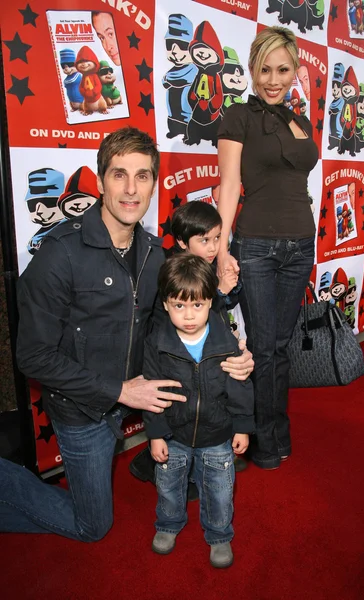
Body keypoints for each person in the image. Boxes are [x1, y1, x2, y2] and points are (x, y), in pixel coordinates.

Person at [0, 127, 253, 542]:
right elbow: (32, 356)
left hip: (131, 405)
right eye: (119, 175)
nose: (131, 189)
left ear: (154, 183)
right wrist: (119, 391)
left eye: (143, 175)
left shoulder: (155, 253)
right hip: (81, 410)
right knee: (93, 527)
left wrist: (233, 354)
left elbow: (173, 324)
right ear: (100, 182)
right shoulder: (59, 253)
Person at [216, 27, 318, 470]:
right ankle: (255, 436)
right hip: (255, 243)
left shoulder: (301, 121)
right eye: (265, 70)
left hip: (301, 244)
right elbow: (228, 185)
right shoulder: (238, 116)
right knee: (260, 344)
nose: (273, 79)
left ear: (296, 72)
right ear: (253, 70)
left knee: (280, 345)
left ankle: (272, 438)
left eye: (283, 69)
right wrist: (222, 249)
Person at [143, 254, 254, 568]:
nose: (189, 315)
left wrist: (242, 425)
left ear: (210, 302)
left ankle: (219, 535)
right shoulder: (157, 343)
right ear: (166, 304)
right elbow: (153, 391)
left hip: (217, 435)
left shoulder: (226, 342)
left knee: (220, 491)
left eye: (197, 305)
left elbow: (240, 386)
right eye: (179, 306)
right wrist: (155, 434)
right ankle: (168, 524)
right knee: (168, 486)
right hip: (173, 434)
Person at [129, 202, 249, 486]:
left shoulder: (205, 264)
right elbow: (186, 316)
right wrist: (220, 291)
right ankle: (154, 463)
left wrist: (225, 292)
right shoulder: (173, 269)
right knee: (177, 413)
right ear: (183, 242)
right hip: (170, 357)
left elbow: (210, 311)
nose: (212, 247)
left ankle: (209, 459)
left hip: (197, 353)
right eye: (204, 240)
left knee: (205, 404)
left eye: (218, 238)